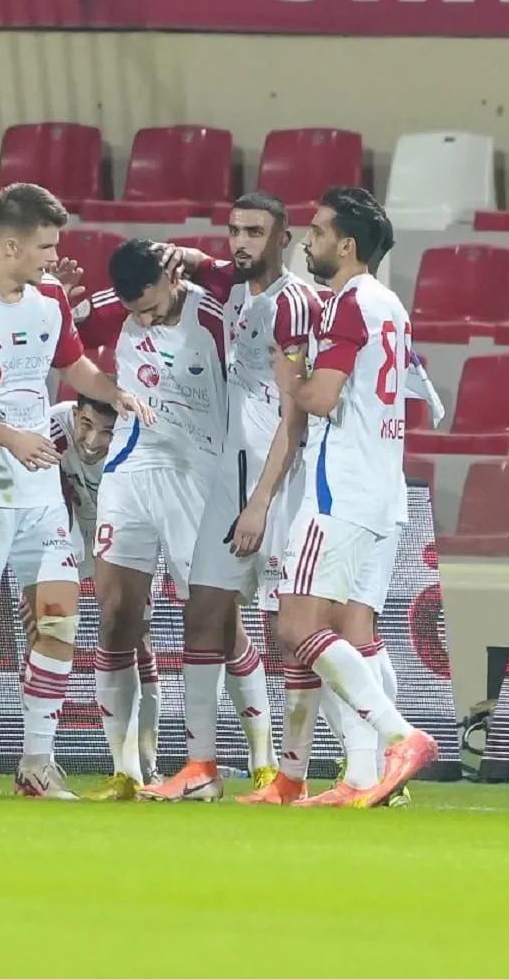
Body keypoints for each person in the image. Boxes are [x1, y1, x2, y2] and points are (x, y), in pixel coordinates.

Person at [0, 184, 145, 800]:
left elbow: (73, 366)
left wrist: (114, 391)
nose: (54, 258)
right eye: (46, 246)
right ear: (11, 244)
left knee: (59, 622)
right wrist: (10, 438)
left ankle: (37, 764)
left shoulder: (49, 298)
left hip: (43, 496)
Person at [139, 193, 321, 802]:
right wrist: (179, 254)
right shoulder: (235, 284)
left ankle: (350, 766)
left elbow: (295, 413)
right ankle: (201, 769)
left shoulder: (294, 305)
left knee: (302, 632)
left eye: (254, 232)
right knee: (203, 612)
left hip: (281, 483)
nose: (239, 242)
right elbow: (201, 266)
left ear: (284, 239)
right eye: (233, 231)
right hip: (231, 474)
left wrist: (262, 501)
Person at [268, 186, 437, 809]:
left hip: (338, 487)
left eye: (316, 231)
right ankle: (365, 779)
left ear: (347, 244)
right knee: (355, 633)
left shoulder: (346, 305)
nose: (308, 241)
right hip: (382, 486)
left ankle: (401, 737)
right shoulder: (389, 303)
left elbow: (319, 398)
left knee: (296, 625)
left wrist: (288, 360)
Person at [78, 239, 229, 800]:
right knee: (116, 613)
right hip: (131, 465)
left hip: (201, 477)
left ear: (171, 277)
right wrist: (67, 307)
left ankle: (248, 763)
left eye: (150, 306)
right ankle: (125, 770)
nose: (143, 319)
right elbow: (64, 344)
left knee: (216, 620)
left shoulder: (214, 311)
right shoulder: (112, 308)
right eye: (133, 311)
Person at [47, 392, 164, 785]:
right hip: (73, 528)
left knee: (134, 636)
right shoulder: (54, 426)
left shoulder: (142, 444)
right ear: (75, 414)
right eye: (86, 425)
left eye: (107, 433)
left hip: (129, 534)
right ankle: (40, 757)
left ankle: (146, 761)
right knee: (46, 625)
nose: (94, 442)